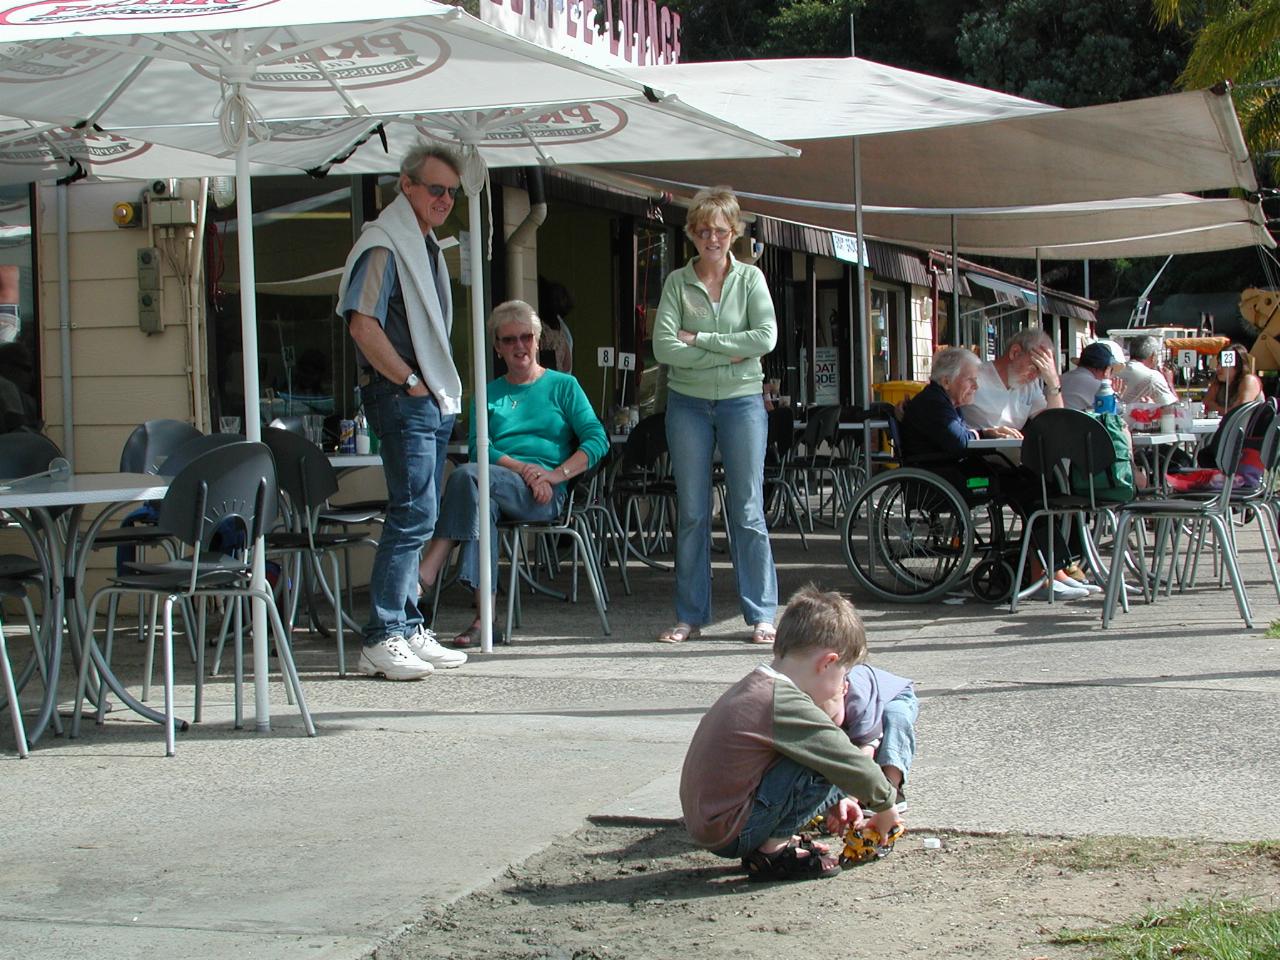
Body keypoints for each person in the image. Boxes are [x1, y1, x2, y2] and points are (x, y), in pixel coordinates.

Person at [337, 141, 468, 681]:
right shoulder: (384, 244)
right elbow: (360, 321)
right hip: (404, 395)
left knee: (424, 511)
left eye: (452, 193)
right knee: (412, 510)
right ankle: (383, 634)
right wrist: (411, 380)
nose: (444, 200)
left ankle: (408, 626)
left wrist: (424, 386)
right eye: (435, 188)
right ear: (406, 185)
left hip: (427, 395)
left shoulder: (425, 244)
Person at [417, 300, 609, 648]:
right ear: (497, 347)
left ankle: (428, 570)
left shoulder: (564, 386)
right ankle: (484, 619)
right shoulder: (488, 394)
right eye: (509, 340)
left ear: (538, 341)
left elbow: (597, 439)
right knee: (478, 500)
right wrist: (524, 470)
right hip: (498, 483)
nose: (519, 346)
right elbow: (480, 447)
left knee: (466, 478)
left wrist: (553, 475)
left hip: (544, 496)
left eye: (525, 337)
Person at [678, 585, 899, 883]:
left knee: (813, 748)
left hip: (712, 822)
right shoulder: (784, 702)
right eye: (844, 675)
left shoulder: (758, 685)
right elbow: (845, 758)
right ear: (828, 663)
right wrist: (885, 805)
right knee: (827, 747)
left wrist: (835, 799)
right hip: (732, 831)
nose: (842, 686)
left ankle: (771, 842)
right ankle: (772, 852)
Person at [651, 186, 778, 645]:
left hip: (742, 401)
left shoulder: (751, 280)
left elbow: (765, 338)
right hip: (687, 403)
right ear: (691, 234)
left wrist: (700, 341)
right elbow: (663, 348)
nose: (712, 238)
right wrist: (729, 352)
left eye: (720, 230)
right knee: (692, 512)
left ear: (734, 232)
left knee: (747, 509)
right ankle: (689, 616)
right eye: (703, 230)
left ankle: (762, 614)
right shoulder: (675, 283)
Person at [821, 664, 917, 811]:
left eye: (833, 716)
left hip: (893, 697)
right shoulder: (811, 689)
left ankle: (891, 786)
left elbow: (866, 748)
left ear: (844, 691)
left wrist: (852, 798)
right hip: (857, 701)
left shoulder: (858, 701)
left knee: (895, 717)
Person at [961, 326, 1064, 437]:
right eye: (1033, 368)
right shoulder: (974, 376)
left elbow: (1054, 426)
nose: (1034, 377)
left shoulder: (1029, 386)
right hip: (975, 450)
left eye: (1041, 372)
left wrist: (1053, 383)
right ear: (1015, 352)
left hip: (1012, 452)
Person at [1060, 340, 1124, 412]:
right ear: (1107, 370)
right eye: (1111, 371)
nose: (1111, 376)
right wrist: (1116, 397)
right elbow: (1111, 416)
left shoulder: (1059, 379)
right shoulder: (1100, 389)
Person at [1116, 335, 1178, 408]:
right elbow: (1175, 408)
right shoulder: (1153, 376)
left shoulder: (1115, 371)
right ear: (1153, 356)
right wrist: (1169, 383)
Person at [1203, 342, 1263, 415]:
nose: (1218, 368)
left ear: (1238, 365)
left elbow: (1240, 411)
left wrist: (1215, 409)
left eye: (1223, 364)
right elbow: (1205, 405)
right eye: (1218, 363)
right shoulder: (1219, 382)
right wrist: (1224, 411)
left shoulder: (1249, 380)